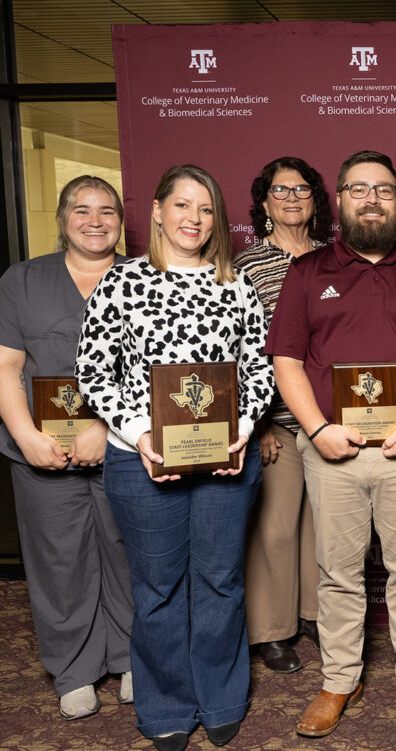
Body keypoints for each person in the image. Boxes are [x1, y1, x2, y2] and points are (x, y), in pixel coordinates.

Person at [76, 164, 273, 751]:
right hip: (140, 460)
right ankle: (165, 703)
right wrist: (139, 432)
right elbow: (93, 372)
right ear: (157, 211)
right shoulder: (121, 282)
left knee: (220, 580)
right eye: (182, 205)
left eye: (206, 208)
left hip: (225, 457)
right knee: (157, 586)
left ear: (217, 220)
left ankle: (220, 696)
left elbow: (259, 367)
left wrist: (241, 429)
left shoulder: (236, 284)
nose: (193, 218)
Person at [266, 150, 396, 739]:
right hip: (334, 451)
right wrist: (318, 430)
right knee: (339, 573)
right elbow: (287, 362)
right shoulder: (308, 272)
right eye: (358, 189)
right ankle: (338, 680)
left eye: (382, 189)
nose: (370, 198)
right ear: (342, 199)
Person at [0, 176, 133, 721]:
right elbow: (7, 367)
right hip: (39, 451)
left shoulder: (143, 278)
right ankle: (74, 670)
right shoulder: (21, 280)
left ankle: (132, 660)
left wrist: (107, 427)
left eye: (107, 210)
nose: (95, 221)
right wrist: (27, 435)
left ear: (122, 220)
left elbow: (158, 371)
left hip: (123, 445)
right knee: (58, 560)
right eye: (82, 210)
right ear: (62, 218)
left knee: (128, 553)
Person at [234, 156, 333, 673]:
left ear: (315, 200)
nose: (292, 199)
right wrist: (261, 422)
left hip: (329, 418)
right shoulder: (246, 267)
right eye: (280, 190)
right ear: (264, 201)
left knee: (321, 528)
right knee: (274, 527)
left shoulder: (335, 260)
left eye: (301, 190)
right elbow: (240, 349)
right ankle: (272, 630)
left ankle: (314, 616)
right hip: (275, 420)